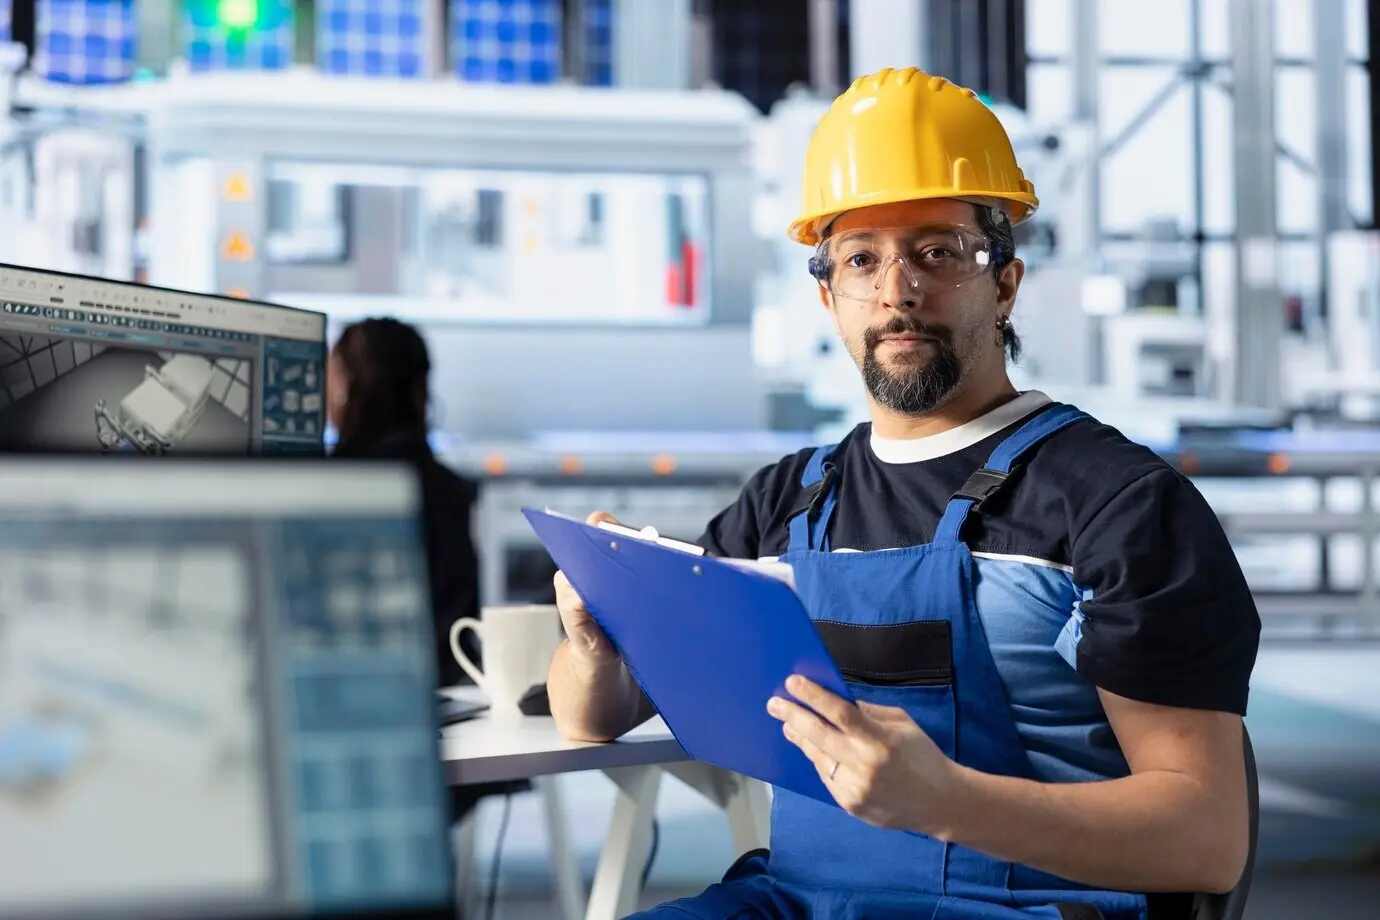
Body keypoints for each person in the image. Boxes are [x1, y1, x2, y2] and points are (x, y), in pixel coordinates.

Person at [545, 67, 1261, 920]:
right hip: (800, 902)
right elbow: (598, 717)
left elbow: (1208, 841)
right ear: (827, 294)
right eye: (862, 259)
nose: (898, 290)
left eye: (937, 251)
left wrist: (949, 801)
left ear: (1004, 283)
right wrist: (597, 646)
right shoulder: (789, 501)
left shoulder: (1116, 504)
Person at [326, 316, 482, 688]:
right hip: (450, 687)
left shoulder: (324, 490)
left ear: (347, 389)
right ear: (419, 390)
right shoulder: (448, 489)